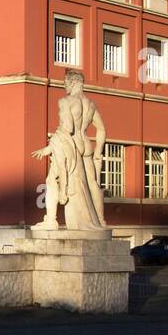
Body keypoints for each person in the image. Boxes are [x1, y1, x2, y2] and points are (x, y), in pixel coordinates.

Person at [31, 70, 108, 230]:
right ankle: (100, 220)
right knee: (92, 184)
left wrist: (51, 145)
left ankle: (51, 220)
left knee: (51, 180)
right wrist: (99, 151)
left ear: (73, 83)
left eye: (65, 83)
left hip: (70, 145)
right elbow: (101, 129)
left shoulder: (66, 101)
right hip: (86, 145)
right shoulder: (90, 104)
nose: (64, 86)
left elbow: (68, 127)